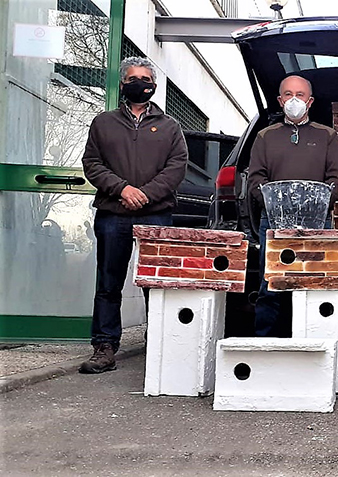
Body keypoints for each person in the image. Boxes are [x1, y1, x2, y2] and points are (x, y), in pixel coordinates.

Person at [80, 57, 188, 373]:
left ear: (153, 84)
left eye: (145, 77)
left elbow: (177, 167)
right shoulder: (103, 122)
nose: (139, 82)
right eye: (133, 77)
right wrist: (123, 189)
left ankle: (159, 344)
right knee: (109, 281)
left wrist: (145, 195)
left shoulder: (170, 126)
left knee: (156, 283)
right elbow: (92, 164)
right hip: (113, 213)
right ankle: (104, 347)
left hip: (156, 214)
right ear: (123, 84)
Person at [248, 75, 338, 337]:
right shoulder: (265, 137)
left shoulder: (327, 136)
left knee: (313, 286)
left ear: (309, 101)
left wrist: (319, 204)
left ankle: (313, 345)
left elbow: (335, 179)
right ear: (280, 101)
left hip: (316, 225)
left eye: (299, 95)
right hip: (274, 224)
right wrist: (273, 204)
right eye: (288, 94)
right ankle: (265, 345)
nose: (294, 100)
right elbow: (256, 178)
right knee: (271, 286)